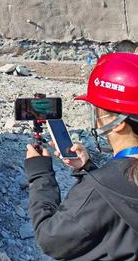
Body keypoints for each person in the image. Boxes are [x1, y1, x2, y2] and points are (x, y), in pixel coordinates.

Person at [24, 52, 138, 260]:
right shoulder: (113, 183)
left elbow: (51, 239)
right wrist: (87, 169)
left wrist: (40, 175)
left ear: (119, 123)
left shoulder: (99, 189)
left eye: (98, 111)